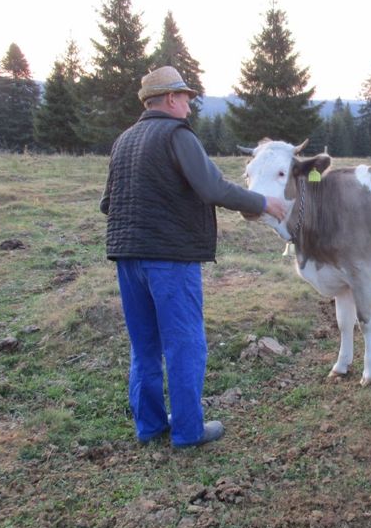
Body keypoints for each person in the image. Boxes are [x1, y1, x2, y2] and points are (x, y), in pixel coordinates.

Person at [100, 66, 286, 448]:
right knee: (185, 343)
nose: (189, 106)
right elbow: (213, 188)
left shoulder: (123, 140)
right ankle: (188, 430)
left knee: (144, 346)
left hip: (126, 257)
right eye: (185, 98)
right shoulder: (177, 135)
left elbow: (107, 203)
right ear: (170, 99)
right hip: (169, 259)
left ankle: (150, 426)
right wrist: (262, 202)